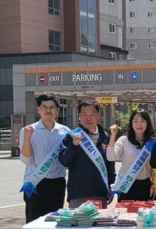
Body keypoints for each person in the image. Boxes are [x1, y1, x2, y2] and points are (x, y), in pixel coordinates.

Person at [19, 93, 70, 222]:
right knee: (33, 221)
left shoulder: (65, 132)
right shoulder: (28, 130)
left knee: (54, 221)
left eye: (52, 107)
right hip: (35, 183)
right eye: (44, 107)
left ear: (58, 110)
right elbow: (26, 160)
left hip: (57, 183)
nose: (48, 111)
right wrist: (27, 138)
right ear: (38, 109)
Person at [59, 100, 116, 208]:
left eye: (92, 114)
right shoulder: (72, 135)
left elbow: (110, 163)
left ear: (98, 116)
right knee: (79, 223)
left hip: (101, 192)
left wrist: (111, 185)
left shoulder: (105, 136)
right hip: (79, 193)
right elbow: (65, 162)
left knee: (100, 223)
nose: (88, 118)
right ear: (79, 116)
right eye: (84, 114)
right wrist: (73, 145)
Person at [107, 109, 155, 201]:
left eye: (142, 121)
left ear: (147, 123)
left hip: (146, 186)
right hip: (127, 185)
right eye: (135, 121)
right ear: (131, 123)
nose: (139, 124)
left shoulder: (152, 142)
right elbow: (111, 157)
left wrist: (153, 184)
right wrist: (113, 135)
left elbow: (154, 168)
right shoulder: (124, 140)